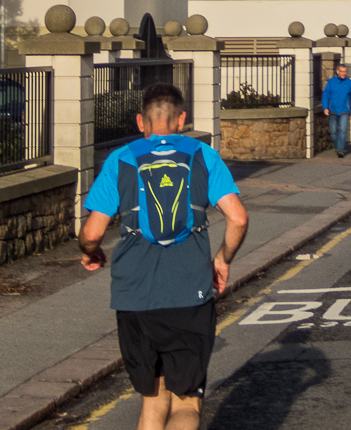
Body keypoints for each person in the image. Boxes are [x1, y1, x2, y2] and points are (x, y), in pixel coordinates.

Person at [78, 84, 248, 430]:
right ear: (182, 119)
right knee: (186, 405)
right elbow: (238, 218)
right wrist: (223, 259)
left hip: (135, 297)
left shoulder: (120, 159)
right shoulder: (203, 155)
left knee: (152, 404)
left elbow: (92, 232)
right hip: (189, 293)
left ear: (142, 121)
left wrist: (90, 252)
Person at [321, 63, 351, 157]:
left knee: (342, 130)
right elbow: (326, 95)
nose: (344, 73)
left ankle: (340, 150)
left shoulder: (349, 83)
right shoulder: (331, 82)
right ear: (338, 71)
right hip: (333, 110)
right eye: (342, 71)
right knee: (333, 132)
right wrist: (325, 107)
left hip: (345, 111)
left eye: (345, 71)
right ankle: (338, 146)